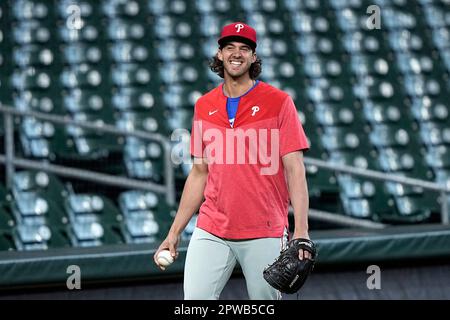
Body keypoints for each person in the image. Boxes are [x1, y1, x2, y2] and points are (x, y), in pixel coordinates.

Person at [154, 22, 311, 300]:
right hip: (212, 227)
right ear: (219, 54)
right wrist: (174, 232)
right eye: (229, 47)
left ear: (253, 57)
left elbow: (295, 170)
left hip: (264, 228)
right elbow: (199, 173)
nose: (236, 53)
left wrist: (301, 230)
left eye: (244, 48)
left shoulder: (279, 102)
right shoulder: (204, 105)